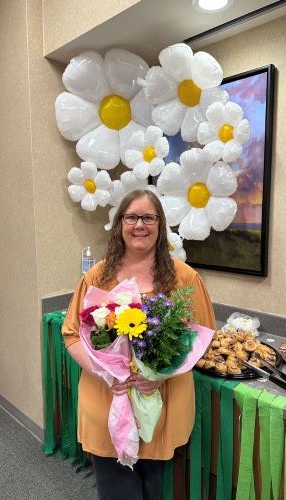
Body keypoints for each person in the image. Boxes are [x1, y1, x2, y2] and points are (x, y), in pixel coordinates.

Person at [62, 189, 216, 500]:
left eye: (148, 217)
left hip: (161, 403)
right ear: (120, 224)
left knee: (152, 486)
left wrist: (158, 375)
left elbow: (202, 337)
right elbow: (72, 335)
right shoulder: (97, 276)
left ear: (160, 226)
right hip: (107, 398)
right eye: (131, 217)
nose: (139, 225)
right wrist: (105, 372)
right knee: (117, 488)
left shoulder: (184, 278)